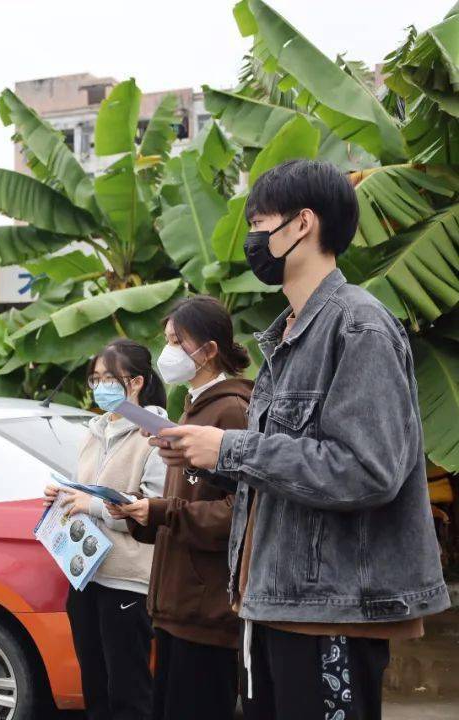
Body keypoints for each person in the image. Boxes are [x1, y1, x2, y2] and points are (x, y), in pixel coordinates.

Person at [155, 160, 448, 720]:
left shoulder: (358, 325)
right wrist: (210, 459)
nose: (253, 239)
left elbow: (368, 470)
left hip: (327, 612)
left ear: (301, 224)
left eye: (260, 222)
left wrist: (232, 449)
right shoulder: (287, 337)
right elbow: (283, 472)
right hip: (273, 604)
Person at [107, 296, 253, 720]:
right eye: (167, 340)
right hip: (176, 606)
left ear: (208, 351)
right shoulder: (193, 407)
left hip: (206, 612)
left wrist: (164, 514)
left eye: (177, 341)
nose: (167, 352)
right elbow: (190, 498)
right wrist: (146, 512)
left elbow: (240, 513)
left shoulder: (231, 410)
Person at [43, 339, 168, 720]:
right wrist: (64, 495)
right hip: (86, 576)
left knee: (128, 692)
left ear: (137, 383)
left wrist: (93, 505)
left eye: (109, 378)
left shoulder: (156, 433)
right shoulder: (94, 430)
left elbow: (157, 508)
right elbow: (89, 489)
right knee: (94, 688)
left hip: (128, 581)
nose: (100, 387)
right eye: (95, 378)